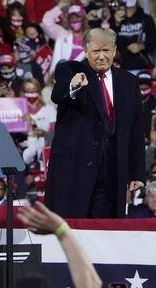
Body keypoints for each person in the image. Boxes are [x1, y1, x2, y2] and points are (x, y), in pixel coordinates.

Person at [45, 28, 145, 219]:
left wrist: (137, 173)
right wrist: (73, 86)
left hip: (112, 172)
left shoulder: (128, 81)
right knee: (72, 231)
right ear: (86, 51)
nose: (101, 57)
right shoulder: (70, 70)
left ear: (114, 51)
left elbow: (135, 130)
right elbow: (58, 96)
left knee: (106, 235)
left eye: (106, 51)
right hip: (74, 172)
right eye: (96, 51)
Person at [111, 0, 156, 71]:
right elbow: (110, 42)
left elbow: (153, 43)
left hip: (142, 67)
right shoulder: (114, 19)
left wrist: (141, 46)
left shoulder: (146, 19)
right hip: (121, 68)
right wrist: (116, 24)